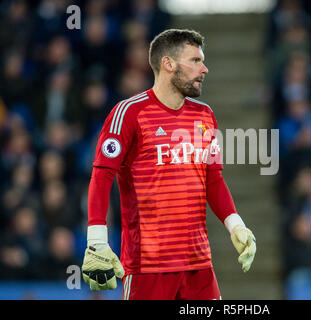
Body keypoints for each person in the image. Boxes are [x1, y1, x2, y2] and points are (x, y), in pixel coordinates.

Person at [81, 29, 256, 300]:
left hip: (199, 268)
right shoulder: (128, 113)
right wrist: (96, 240)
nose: (205, 69)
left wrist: (236, 225)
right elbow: (102, 177)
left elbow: (213, 179)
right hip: (148, 269)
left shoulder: (205, 115)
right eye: (196, 61)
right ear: (168, 64)